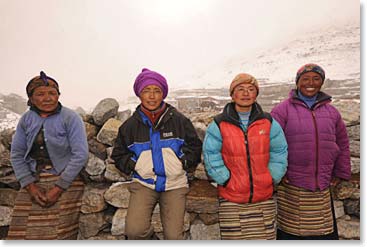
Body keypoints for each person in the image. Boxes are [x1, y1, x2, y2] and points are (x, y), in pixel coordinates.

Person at [111, 68, 202, 240]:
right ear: (139, 94)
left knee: (174, 237)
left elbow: (195, 146)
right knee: (134, 231)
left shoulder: (179, 121)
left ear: (163, 94)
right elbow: (118, 154)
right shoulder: (129, 126)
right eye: (147, 91)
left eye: (157, 91)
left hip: (175, 184)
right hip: (144, 183)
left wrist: (182, 162)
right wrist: (136, 165)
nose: (152, 96)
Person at [203, 73, 288, 240]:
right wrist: (226, 180)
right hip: (231, 198)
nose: (246, 93)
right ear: (232, 94)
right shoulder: (219, 124)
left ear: (256, 94)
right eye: (240, 89)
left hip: (264, 197)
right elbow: (210, 155)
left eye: (251, 89)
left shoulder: (268, 122)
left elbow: (279, 151)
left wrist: (271, 177)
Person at [271, 63, 351, 240]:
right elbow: (270, 144)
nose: (311, 83)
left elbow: (342, 144)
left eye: (316, 78)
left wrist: (341, 172)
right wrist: (278, 172)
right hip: (292, 182)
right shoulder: (281, 111)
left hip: (322, 183)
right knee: (292, 232)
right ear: (297, 82)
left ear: (322, 82)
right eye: (305, 79)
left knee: (322, 233)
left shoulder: (332, 112)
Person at [7, 71, 89, 240]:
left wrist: (58, 188)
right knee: (20, 231)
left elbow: (80, 154)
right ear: (31, 98)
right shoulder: (26, 120)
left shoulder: (70, 117)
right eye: (40, 94)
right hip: (33, 177)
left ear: (58, 95)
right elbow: (17, 154)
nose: (47, 98)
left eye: (52, 93)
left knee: (59, 232)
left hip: (67, 177)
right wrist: (29, 185)